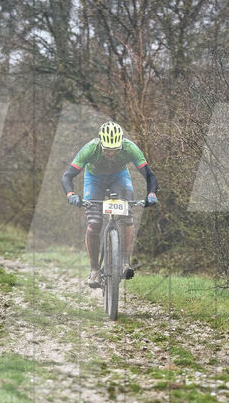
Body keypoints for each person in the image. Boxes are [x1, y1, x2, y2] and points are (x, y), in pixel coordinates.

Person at [61, 121, 158, 288]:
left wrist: (151, 193)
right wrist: (71, 194)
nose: (111, 154)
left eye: (115, 151)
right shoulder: (90, 149)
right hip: (94, 180)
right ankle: (94, 270)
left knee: (127, 217)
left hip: (119, 178)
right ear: (100, 144)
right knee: (94, 222)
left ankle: (125, 263)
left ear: (121, 145)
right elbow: (67, 176)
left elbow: (149, 175)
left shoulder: (130, 148)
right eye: (107, 150)